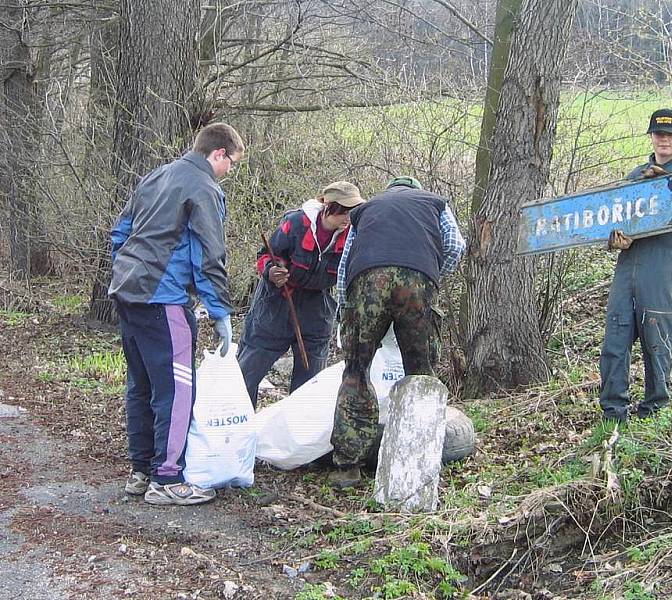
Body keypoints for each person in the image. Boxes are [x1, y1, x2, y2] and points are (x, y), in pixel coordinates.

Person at [109, 122, 244, 506]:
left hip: (127, 294)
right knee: (178, 388)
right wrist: (219, 311)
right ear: (219, 153)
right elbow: (209, 255)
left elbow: (120, 233)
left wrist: (125, 273)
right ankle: (167, 477)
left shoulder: (156, 176)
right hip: (163, 300)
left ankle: (141, 471)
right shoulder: (203, 187)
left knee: (142, 385)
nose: (229, 171)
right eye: (231, 163)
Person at [329, 175, 466, 488]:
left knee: (356, 371)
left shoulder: (365, 210)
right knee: (421, 373)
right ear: (416, 190)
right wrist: (430, 278)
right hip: (416, 281)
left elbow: (345, 263)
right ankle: (421, 462)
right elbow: (456, 247)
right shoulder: (435, 203)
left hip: (366, 282)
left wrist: (344, 309)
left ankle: (347, 467)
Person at [600, 108, 672, 422]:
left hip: (663, 268)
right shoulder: (635, 177)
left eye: (669, 134)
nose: (664, 140)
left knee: (657, 342)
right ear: (652, 137)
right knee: (615, 340)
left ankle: (654, 411)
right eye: (658, 134)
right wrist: (613, 241)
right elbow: (611, 222)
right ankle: (613, 413)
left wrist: (669, 185)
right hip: (628, 268)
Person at [237, 181, 365, 407]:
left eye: (352, 212)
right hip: (275, 305)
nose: (348, 218)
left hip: (316, 312)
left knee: (308, 387)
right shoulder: (295, 223)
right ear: (328, 207)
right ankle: (239, 429)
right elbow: (265, 255)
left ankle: (296, 437)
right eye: (344, 211)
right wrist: (272, 271)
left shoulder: (352, 237)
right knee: (247, 375)